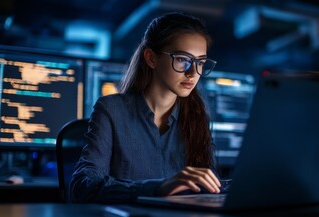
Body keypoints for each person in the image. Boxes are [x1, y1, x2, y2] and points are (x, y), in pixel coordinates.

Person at [70, 12, 222, 203]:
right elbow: (82, 187)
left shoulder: (197, 117)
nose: (193, 73)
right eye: (183, 59)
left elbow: (212, 187)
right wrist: (158, 188)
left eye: (200, 62)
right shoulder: (111, 110)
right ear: (151, 58)